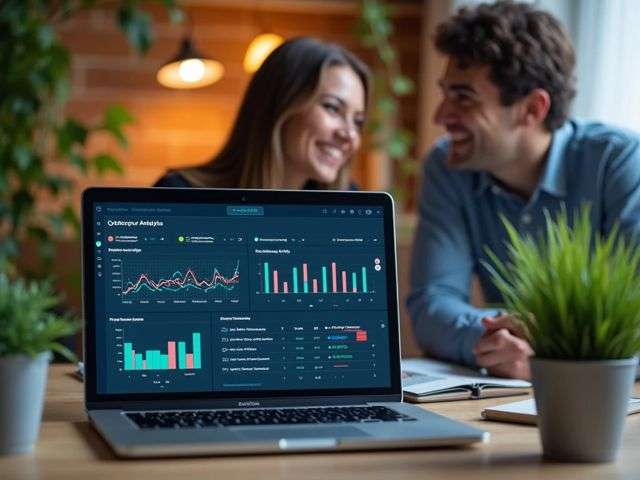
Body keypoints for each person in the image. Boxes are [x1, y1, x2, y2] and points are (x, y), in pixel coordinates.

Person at [407, 1, 640, 379]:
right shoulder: (447, 167)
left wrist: (553, 346)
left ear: (531, 109)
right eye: (445, 92)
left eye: (463, 97)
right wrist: (496, 338)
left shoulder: (618, 162)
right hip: (503, 396)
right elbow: (433, 303)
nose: (440, 117)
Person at [155, 37, 370, 190]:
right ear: (280, 105)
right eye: (332, 107)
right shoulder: (179, 195)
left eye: (357, 121)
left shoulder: (349, 204)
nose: (349, 135)